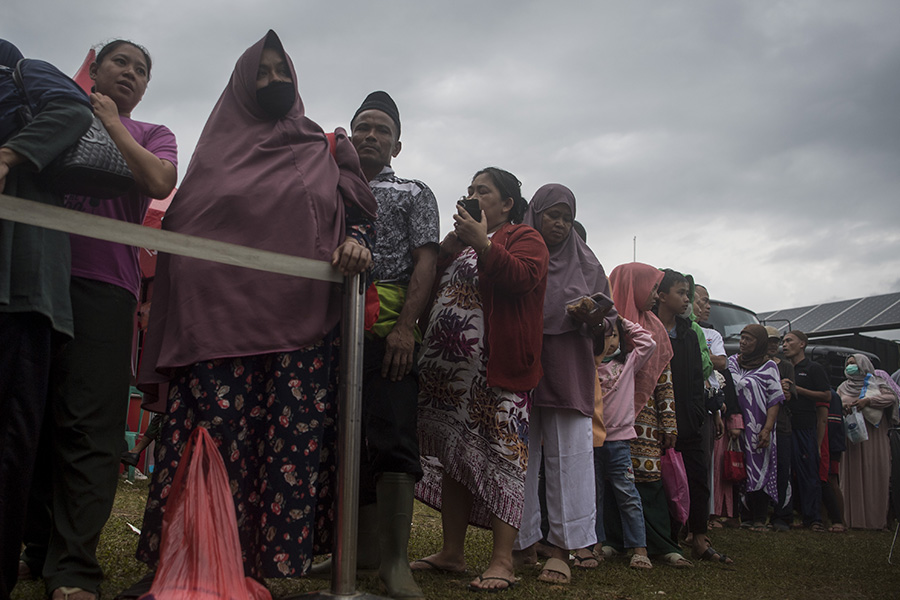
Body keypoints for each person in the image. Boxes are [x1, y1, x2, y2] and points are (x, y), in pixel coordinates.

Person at [134, 31, 377, 580]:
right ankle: (186, 564)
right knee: (210, 448)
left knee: (282, 450)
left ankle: (257, 572)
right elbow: (185, 226)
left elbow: (360, 214)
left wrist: (356, 241)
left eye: (279, 71)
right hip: (217, 331)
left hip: (300, 335)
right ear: (243, 84)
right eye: (261, 73)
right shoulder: (217, 150)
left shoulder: (323, 146)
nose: (272, 81)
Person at [17, 39, 177, 600]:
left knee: (90, 427)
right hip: (35, 277)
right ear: (94, 68)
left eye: (140, 70)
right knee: (32, 417)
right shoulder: (53, 110)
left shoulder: (154, 133)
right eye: (120, 63)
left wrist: (109, 121)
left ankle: (74, 568)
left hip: (106, 290)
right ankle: (36, 550)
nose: (130, 74)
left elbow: (159, 183)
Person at [411, 167, 548, 592]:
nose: (472, 196)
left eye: (483, 191)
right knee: (456, 458)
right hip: (449, 378)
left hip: (499, 372)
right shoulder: (460, 244)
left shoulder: (526, 238)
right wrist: (455, 244)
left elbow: (523, 278)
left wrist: (483, 242)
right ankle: (452, 553)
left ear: (507, 203)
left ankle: (503, 561)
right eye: (469, 189)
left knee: (504, 462)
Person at [0, 39, 93, 600]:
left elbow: (72, 109)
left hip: (20, 286)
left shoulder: (21, 67)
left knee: (10, 444)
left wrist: (9, 155)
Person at [347, 90, 439, 598]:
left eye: (383, 130)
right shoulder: (330, 186)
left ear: (397, 146)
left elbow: (426, 262)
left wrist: (407, 327)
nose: (371, 136)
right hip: (331, 325)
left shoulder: (413, 192)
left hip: (389, 326)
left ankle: (395, 563)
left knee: (393, 432)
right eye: (364, 125)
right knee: (345, 436)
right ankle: (357, 554)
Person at [513, 183, 612, 586]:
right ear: (535, 213)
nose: (559, 223)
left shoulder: (588, 265)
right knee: (520, 458)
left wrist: (592, 316)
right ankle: (520, 544)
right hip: (523, 365)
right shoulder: (520, 255)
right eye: (552, 214)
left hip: (569, 369)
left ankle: (562, 549)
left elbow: (610, 321)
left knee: (569, 458)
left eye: (566, 217)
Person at [605, 262, 689, 568]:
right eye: (651, 288)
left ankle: (660, 543)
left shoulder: (654, 328)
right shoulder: (606, 324)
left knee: (648, 479)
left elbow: (663, 380)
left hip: (646, 421)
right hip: (610, 417)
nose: (655, 295)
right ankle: (613, 541)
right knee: (611, 481)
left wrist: (669, 420)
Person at [654, 269, 731, 563]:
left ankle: (699, 537)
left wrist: (698, 412)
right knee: (661, 480)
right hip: (656, 420)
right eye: (683, 293)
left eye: (689, 293)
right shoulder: (650, 329)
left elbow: (700, 374)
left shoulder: (689, 333)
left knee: (697, 478)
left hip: (689, 418)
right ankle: (666, 539)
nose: (688, 299)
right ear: (661, 295)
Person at [592, 317, 655, 569]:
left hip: (619, 442)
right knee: (593, 496)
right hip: (592, 440)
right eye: (605, 336)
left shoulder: (628, 363)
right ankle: (593, 544)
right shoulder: (588, 365)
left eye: (615, 335)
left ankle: (639, 548)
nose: (610, 342)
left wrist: (621, 320)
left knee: (627, 493)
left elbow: (648, 343)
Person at [726, 325, 783, 531]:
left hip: (759, 428)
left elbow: (775, 399)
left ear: (759, 343)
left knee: (760, 468)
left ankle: (759, 518)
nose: (743, 342)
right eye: (742, 338)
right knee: (739, 466)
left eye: (749, 339)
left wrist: (767, 428)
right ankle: (744, 516)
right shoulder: (732, 362)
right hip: (736, 427)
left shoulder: (769, 367)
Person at [837, 354, 900, 529]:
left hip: (874, 435)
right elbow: (836, 402)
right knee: (852, 474)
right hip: (853, 437)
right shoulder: (843, 387)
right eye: (848, 364)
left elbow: (891, 398)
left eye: (853, 363)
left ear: (863, 365)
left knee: (874, 472)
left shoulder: (876, 382)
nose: (850, 366)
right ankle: (853, 519)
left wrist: (868, 401)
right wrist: (843, 407)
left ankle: (874, 520)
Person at [781, 330, 830, 531]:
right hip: (785, 427)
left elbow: (826, 395)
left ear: (802, 344)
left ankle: (814, 518)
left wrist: (798, 390)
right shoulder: (782, 368)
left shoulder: (812, 368)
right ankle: (790, 515)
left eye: (789, 340)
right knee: (786, 473)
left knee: (808, 473)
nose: (784, 344)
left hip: (805, 427)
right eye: (783, 341)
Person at [762, 326, 797, 532]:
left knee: (783, 471)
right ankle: (755, 513)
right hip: (758, 425)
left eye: (776, 341)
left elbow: (789, 395)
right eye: (769, 341)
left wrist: (784, 389)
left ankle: (782, 515)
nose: (774, 345)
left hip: (781, 425)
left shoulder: (786, 366)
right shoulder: (752, 364)